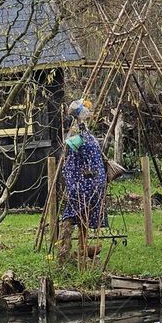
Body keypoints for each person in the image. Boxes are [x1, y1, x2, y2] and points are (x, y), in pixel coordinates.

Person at [57, 98, 107, 265]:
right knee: (79, 216)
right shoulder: (85, 137)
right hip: (91, 183)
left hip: (87, 184)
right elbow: (73, 159)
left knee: (75, 216)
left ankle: (74, 251)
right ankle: (76, 249)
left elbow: (70, 159)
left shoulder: (81, 136)